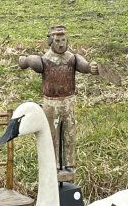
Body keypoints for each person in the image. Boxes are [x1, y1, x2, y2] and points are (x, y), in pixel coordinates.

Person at [18, 25, 99, 182]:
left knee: (69, 133)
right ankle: (53, 164)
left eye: (63, 40)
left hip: (68, 102)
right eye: (57, 41)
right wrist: (25, 60)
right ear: (50, 41)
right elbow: (30, 61)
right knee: (52, 135)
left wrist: (91, 68)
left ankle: (70, 163)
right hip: (51, 103)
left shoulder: (72, 58)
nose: (61, 44)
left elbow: (85, 66)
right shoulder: (45, 60)